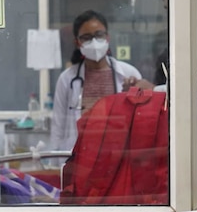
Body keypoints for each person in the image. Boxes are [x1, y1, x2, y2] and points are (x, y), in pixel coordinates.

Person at [50, 9, 141, 151]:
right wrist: (57, 167)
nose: (94, 42)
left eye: (99, 35)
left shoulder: (128, 73)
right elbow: (58, 128)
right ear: (77, 42)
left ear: (107, 37)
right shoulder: (67, 79)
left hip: (119, 152)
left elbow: (140, 121)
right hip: (80, 155)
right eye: (86, 37)